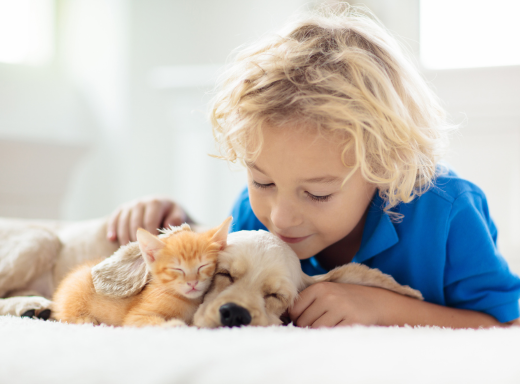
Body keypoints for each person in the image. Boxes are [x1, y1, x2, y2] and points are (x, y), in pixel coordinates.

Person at [106, 5, 520, 328]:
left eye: (318, 192)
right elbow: (221, 271)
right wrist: (174, 222)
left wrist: (383, 308)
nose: (279, 217)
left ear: (384, 169)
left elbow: (505, 323)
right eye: (262, 180)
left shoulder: (450, 212)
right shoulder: (257, 218)